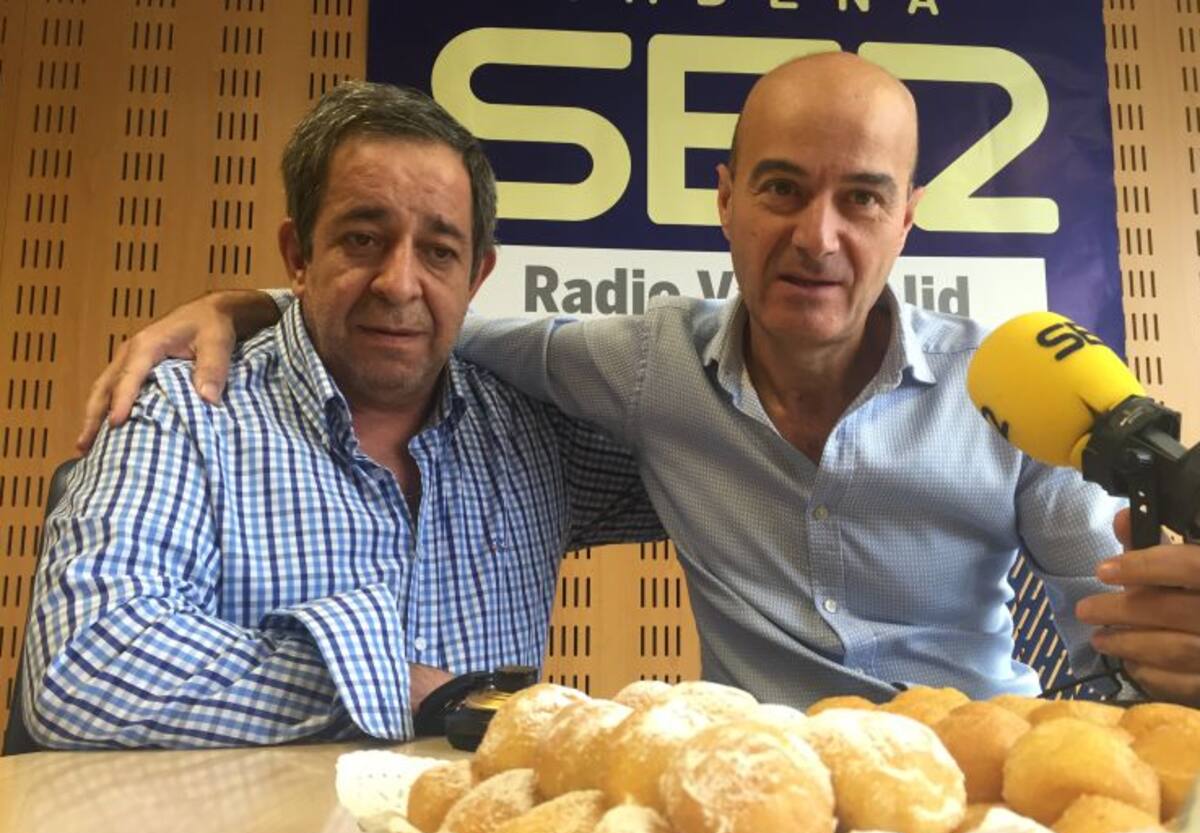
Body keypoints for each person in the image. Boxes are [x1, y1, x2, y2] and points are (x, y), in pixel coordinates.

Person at [78, 54, 1200, 708]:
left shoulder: (1011, 392)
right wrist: (256, 307)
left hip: (968, 800)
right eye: (780, 188)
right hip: (752, 826)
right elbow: (426, 317)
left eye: (860, 198)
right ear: (725, 198)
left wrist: (1172, 667)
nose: (817, 236)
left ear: (906, 220)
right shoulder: (647, 367)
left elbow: (1115, 649)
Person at [25, 81, 662, 749]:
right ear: (299, 256)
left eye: (439, 252)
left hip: (469, 820)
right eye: (363, 239)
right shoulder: (188, 412)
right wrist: (410, 693)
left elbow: (725, 464)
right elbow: (81, 667)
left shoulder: (537, 434)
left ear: (475, 276)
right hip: (257, 821)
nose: (399, 284)